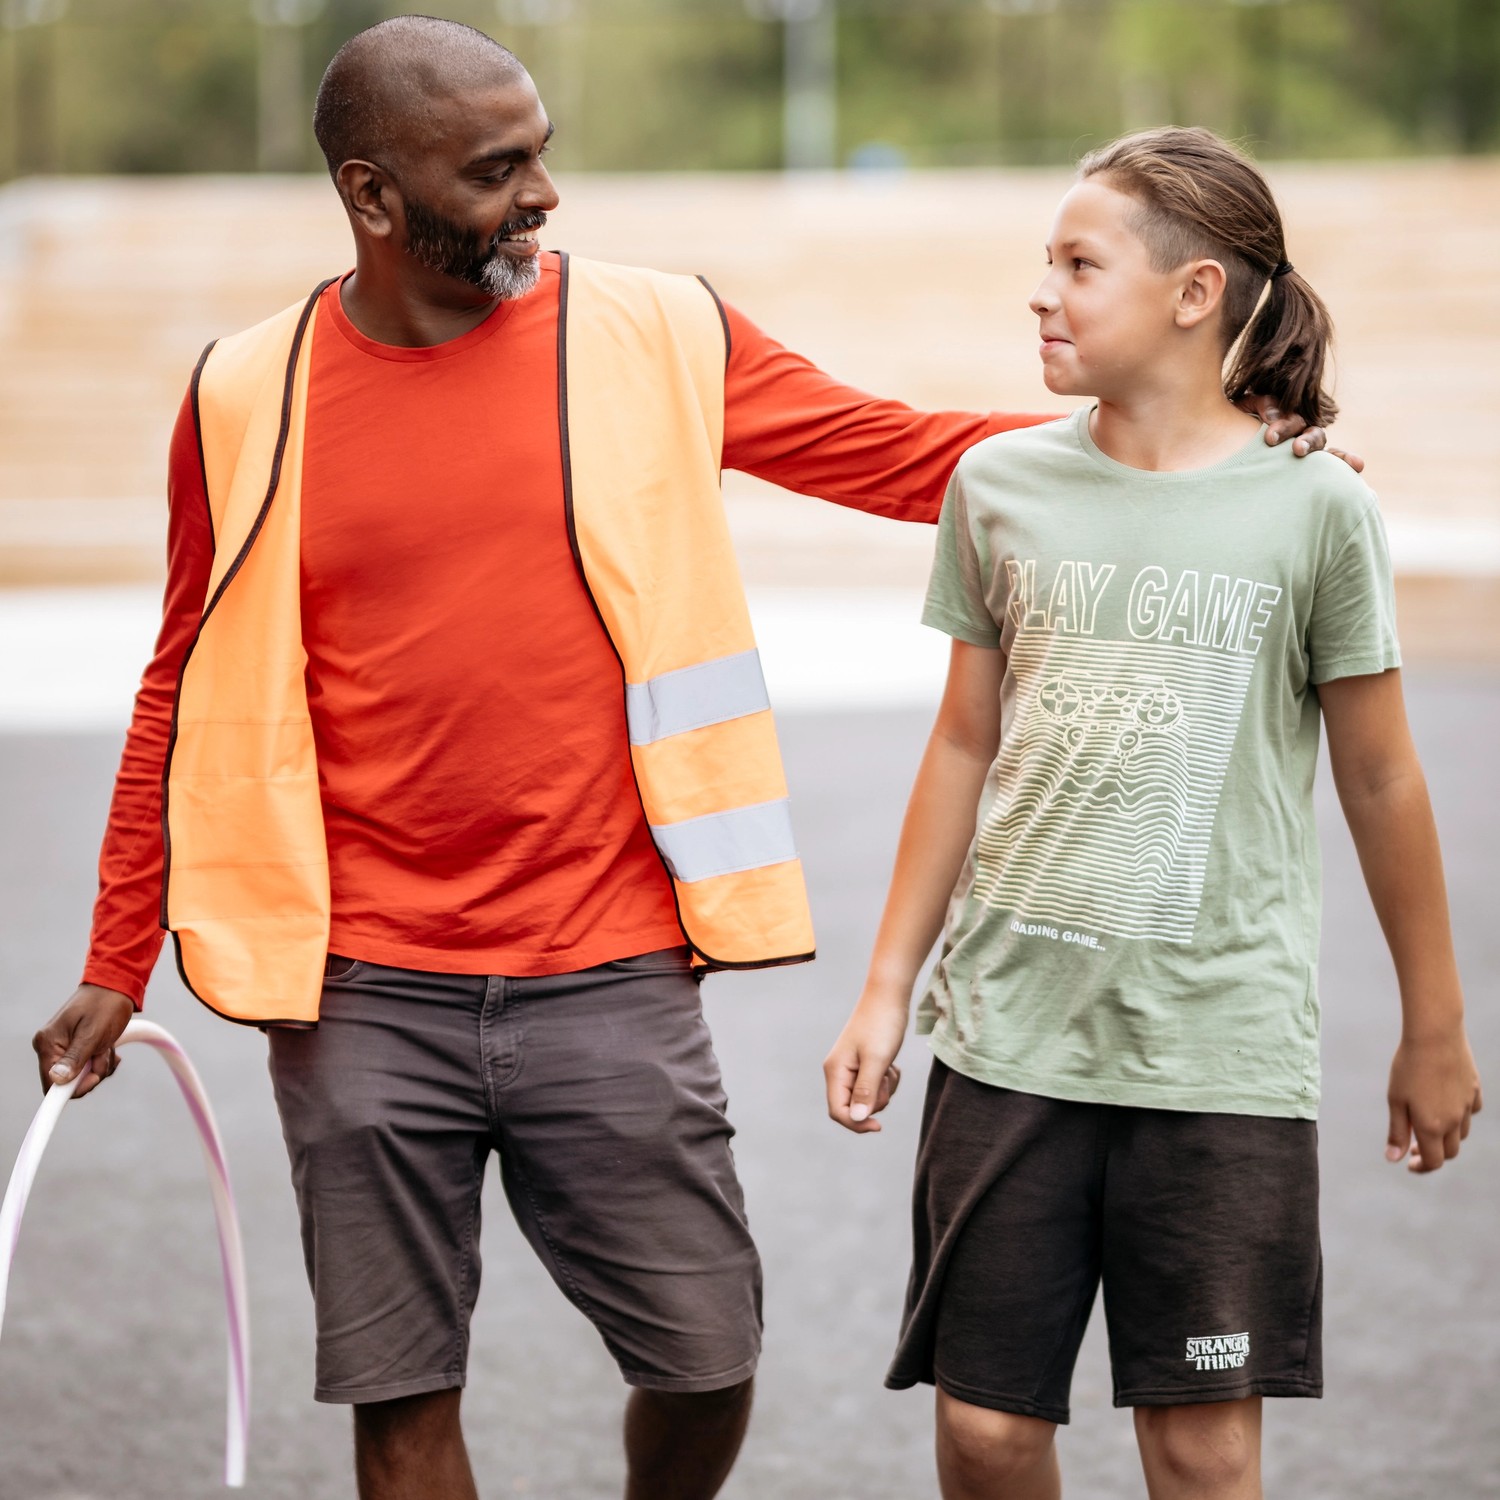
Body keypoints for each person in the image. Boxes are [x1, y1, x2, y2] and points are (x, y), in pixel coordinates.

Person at [29, 15, 1342, 1498]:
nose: (544, 195)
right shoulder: (240, 394)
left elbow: (899, 452)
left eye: (543, 153)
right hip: (354, 983)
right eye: (498, 170)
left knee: (706, 1364)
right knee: (400, 1406)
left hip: (607, 961)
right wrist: (115, 954)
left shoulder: (650, 331)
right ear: (373, 196)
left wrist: (1207, 455)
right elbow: (176, 690)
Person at [824, 125, 1481, 1500]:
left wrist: (1436, 1024)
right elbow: (960, 742)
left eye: (1079, 262)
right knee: (989, 1431)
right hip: (1006, 1039)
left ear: (1195, 294)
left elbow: (1381, 777)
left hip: (1218, 1054)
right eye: (1042, 262)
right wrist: (887, 988)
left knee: (1199, 1449)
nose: (1042, 292)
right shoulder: (997, 485)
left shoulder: (1316, 508)